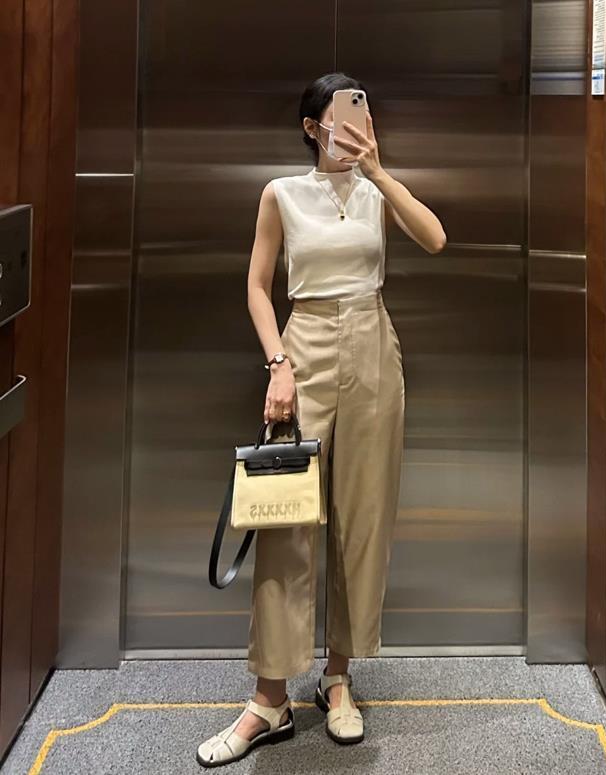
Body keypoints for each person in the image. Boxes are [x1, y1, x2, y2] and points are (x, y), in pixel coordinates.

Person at [196, 72, 447, 768]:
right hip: (303, 345)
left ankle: (339, 677)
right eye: (341, 115)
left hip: (372, 343)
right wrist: (278, 364)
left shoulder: (375, 192)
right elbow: (257, 285)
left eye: (362, 112)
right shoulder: (281, 193)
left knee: (364, 517)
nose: (354, 125)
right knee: (286, 521)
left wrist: (379, 170)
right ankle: (269, 697)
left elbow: (435, 238)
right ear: (313, 126)